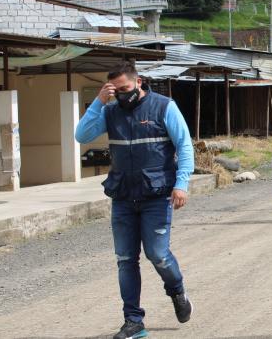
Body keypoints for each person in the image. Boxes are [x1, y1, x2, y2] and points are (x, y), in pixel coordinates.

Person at [75, 62, 194, 339]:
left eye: (125, 89)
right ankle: (133, 322)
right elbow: (81, 135)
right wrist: (99, 101)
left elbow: (184, 144)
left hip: (156, 196)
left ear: (138, 82)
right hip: (123, 197)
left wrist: (181, 184)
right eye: (116, 90)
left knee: (158, 255)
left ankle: (177, 290)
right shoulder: (110, 110)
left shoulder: (164, 107)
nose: (122, 94)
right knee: (126, 259)